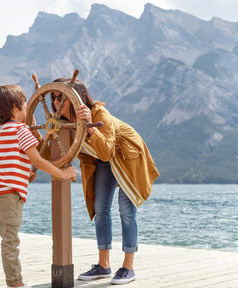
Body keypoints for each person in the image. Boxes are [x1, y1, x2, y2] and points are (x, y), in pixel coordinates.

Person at [51, 78, 159, 285]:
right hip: (102, 159)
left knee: (126, 210)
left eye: (60, 97)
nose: (56, 102)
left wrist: (90, 126)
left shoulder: (100, 114)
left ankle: (128, 267)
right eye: (53, 97)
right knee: (100, 208)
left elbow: (107, 150)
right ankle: (104, 265)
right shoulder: (64, 124)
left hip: (127, 155)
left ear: (76, 97)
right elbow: (53, 152)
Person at [0, 84, 76, 288]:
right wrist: (63, 173)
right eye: (24, 103)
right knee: (10, 242)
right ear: (15, 107)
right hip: (9, 197)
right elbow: (37, 160)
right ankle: (15, 283)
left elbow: (3, 163)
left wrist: (24, 173)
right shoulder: (21, 130)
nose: (27, 106)